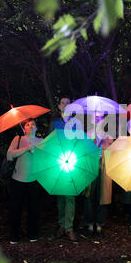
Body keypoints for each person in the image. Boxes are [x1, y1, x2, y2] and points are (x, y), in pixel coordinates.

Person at [7, 118, 43, 244]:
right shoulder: (18, 139)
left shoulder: (41, 141)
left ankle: (32, 234)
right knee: (16, 209)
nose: (31, 126)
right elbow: (9, 155)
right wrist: (27, 148)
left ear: (36, 128)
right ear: (24, 128)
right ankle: (14, 236)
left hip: (34, 181)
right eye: (28, 125)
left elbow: (47, 158)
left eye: (33, 124)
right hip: (18, 180)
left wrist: (36, 151)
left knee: (33, 209)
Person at [49, 96, 78, 242]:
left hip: (72, 162)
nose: (66, 105)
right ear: (59, 106)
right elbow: (49, 142)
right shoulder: (55, 124)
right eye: (63, 103)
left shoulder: (75, 124)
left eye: (68, 103)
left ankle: (69, 228)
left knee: (70, 196)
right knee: (60, 196)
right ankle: (61, 225)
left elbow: (80, 142)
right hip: (58, 162)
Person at [84, 113, 114, 238]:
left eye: (100, 116)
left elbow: (112, 147)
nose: (97, 118)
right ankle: (90, 224)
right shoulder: (88, 132)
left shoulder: (108, 132)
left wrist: (106, 138)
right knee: (89, 195)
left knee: (103, 194)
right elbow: (86, 150)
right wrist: (98, 141)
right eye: (95, 116)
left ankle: (100, 224)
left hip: (104, 165)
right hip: (90, 165)